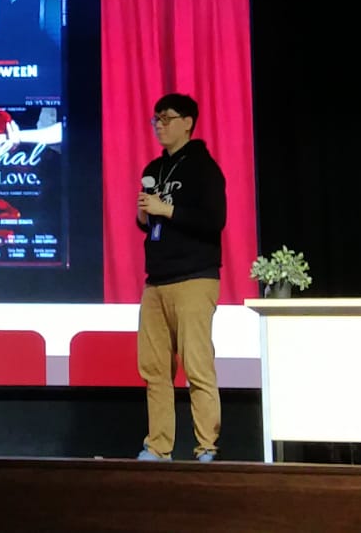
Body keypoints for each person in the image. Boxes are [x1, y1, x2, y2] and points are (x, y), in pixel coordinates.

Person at [134, 92, 227, 462]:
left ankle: (207, 446)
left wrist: (167, 209)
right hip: (156, 279)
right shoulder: (155, 168)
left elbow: (213, 221)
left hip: (194, 278)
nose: (159, 125)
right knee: (154, 368)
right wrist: (144, 215)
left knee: (197, 365)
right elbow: (150, 223)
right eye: (155, 119)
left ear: (188, 123)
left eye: (167, 118)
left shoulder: (204, 168)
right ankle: (158, 446)